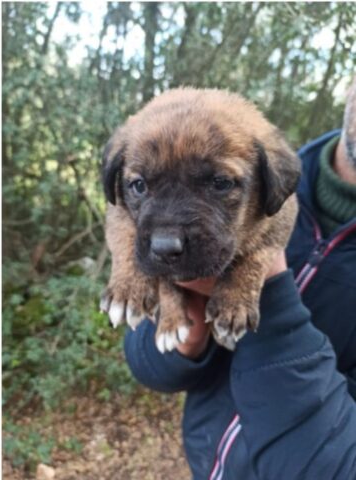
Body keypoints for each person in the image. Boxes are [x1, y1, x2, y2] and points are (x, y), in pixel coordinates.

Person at [124, 78, 356, 479]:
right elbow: (148, 364)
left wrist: (264, 289)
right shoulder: (258, 160)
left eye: (219, 184)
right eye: (142, 186)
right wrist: (183, 339)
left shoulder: (262, 168)